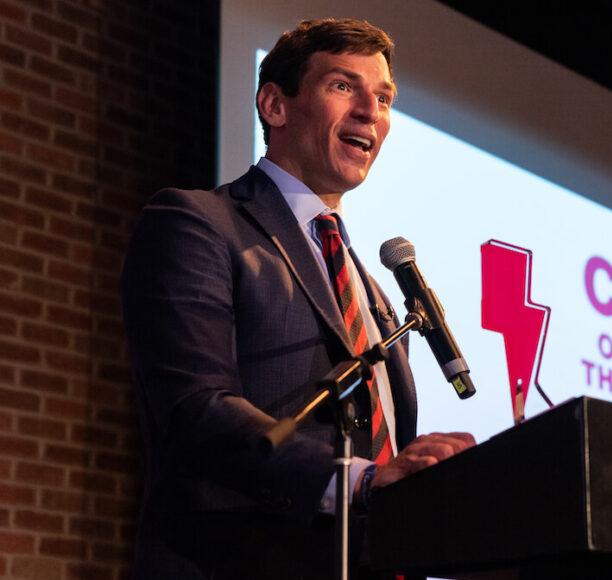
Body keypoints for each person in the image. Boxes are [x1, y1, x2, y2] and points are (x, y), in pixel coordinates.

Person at [122, 18, 474, 579]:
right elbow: (196, 410)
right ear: (275, 106)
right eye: (343, 86)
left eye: (383, 97)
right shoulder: (198, 224)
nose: (370, 112)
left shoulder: (375, 293)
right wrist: (360, 480)